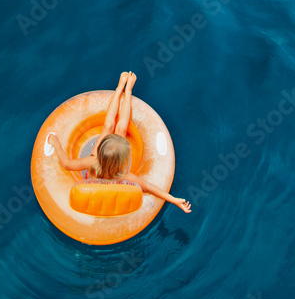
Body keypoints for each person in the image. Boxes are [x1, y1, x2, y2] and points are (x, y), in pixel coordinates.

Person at [48, 71, 191, 213]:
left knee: (109, 126)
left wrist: (55, 143)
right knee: (119, 127)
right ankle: (125, 90)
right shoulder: (124, 176)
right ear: (122, 162)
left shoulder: (92, 162)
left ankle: (122, 89)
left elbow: (67, 164)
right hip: (107, 168)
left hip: (96, 169)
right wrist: (174, 199)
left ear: (99, 152)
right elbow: (148, 187)